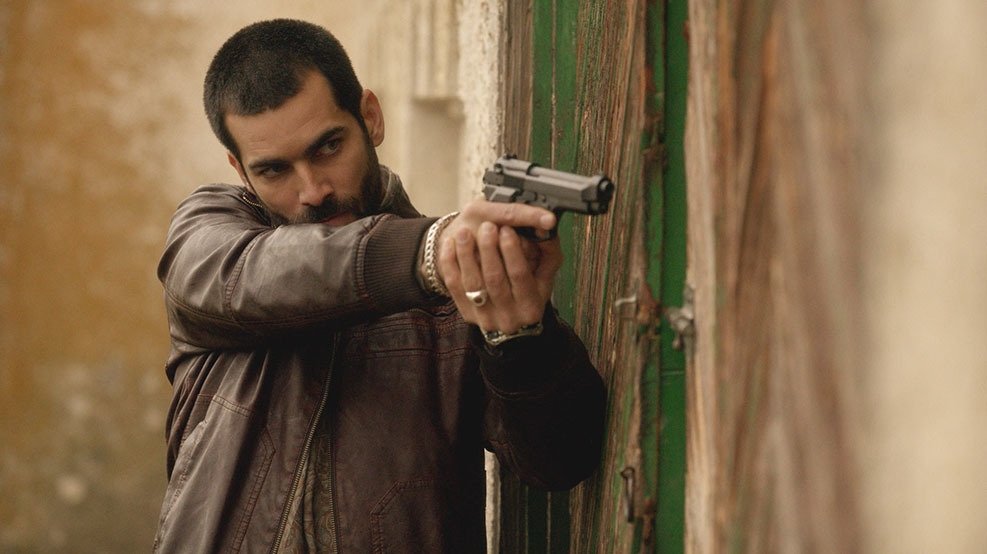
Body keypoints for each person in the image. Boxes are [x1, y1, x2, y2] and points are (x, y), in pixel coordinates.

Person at [152, 18, 605, 553]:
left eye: (328, 147)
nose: (313, 190)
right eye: (274, 171)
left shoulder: (456, 298)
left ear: (370, 117)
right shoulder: (209, 238)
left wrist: (520, 335)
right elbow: (261, 275)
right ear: (240, 169)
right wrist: (431, 252)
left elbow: (559, 461)